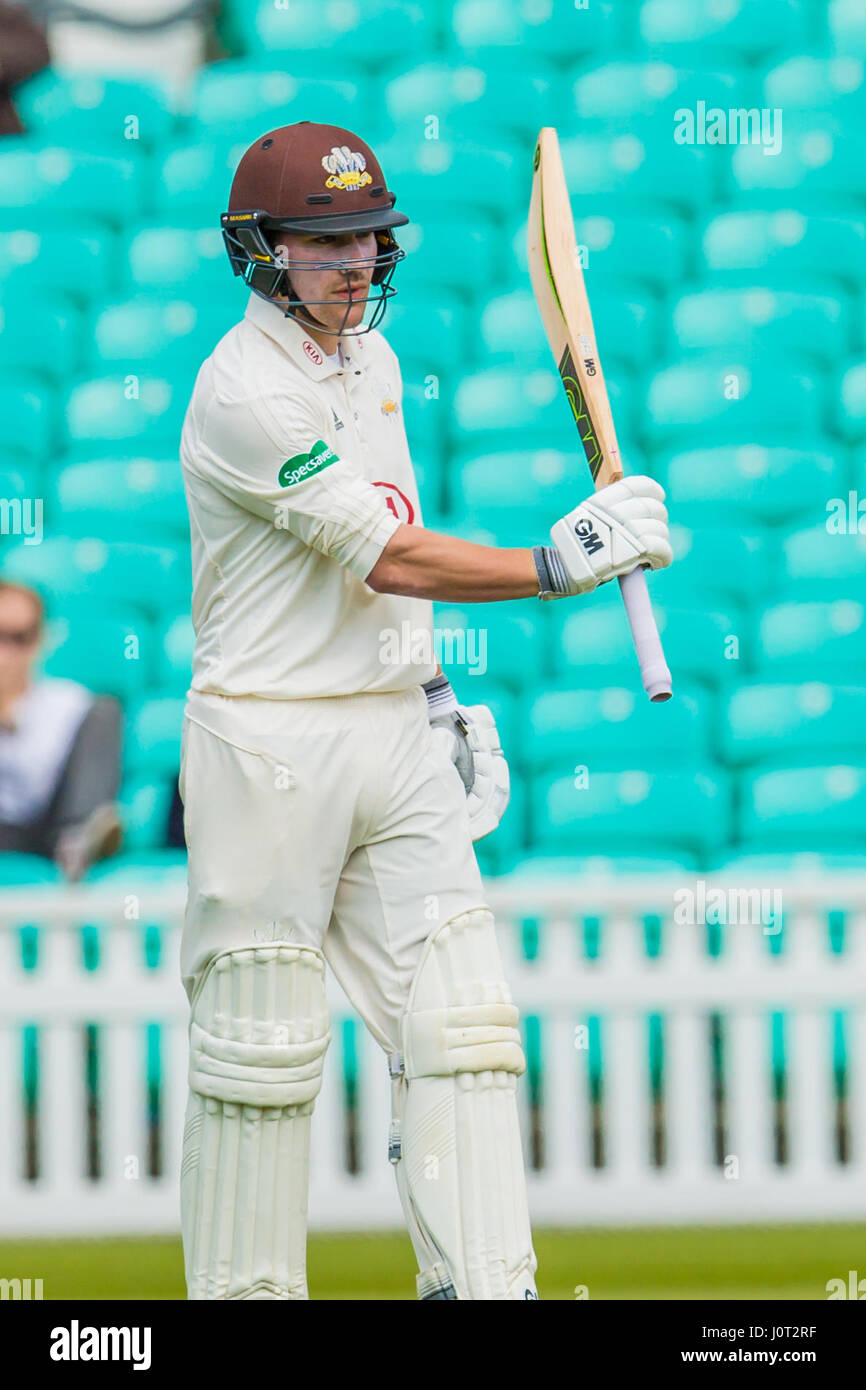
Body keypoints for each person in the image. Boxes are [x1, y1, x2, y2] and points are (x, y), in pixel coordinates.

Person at [178, 121, 672, 1300]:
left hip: (391, 722)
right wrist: (555, 565)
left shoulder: (376, 365)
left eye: (368, 241)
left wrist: (435, 686)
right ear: (258, 252)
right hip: (269, 738)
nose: (355, 267)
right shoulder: (241, 390)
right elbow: (385, 555)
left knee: (463, 1030)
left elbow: (388, 557)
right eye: (325, 245)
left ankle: (484, 1289)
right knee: (262, 1050)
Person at [0, 581, 123, 880]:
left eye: (20, 638)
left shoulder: (69, 705)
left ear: (40, 640)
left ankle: (80, 841)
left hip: (49, 830)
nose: (5, 652)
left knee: (105, 711)